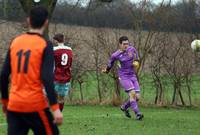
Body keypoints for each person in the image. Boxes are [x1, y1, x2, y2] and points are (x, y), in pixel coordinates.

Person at [0, 6, 63, 135]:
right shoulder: (45, 45)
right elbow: (47, 78)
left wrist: (5, 101)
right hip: (35, 105)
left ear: (28, 21)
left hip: (14, 105)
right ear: (46, 22)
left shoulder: (15, 42)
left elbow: (4, 74)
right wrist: (55, 108)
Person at [102, 36, 143, 120]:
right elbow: (110, 64)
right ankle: (137, 113)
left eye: (127, 44)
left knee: (137, 97)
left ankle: (124, 107)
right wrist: (106, 71)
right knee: (132, 94)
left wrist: (136, 62)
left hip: (132, 76)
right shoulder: (115, 55)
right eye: (124, 44)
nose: (126, 46)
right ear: (120, 44)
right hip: (124, 77)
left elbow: (137, 59)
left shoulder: (132, 49)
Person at [53, 33, 73, 112]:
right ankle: (58, 114)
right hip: (65, 77)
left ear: (56, 41)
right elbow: (70, 63)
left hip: (56, 76)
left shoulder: (54, 50)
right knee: (61, 99)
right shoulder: (69, 50)